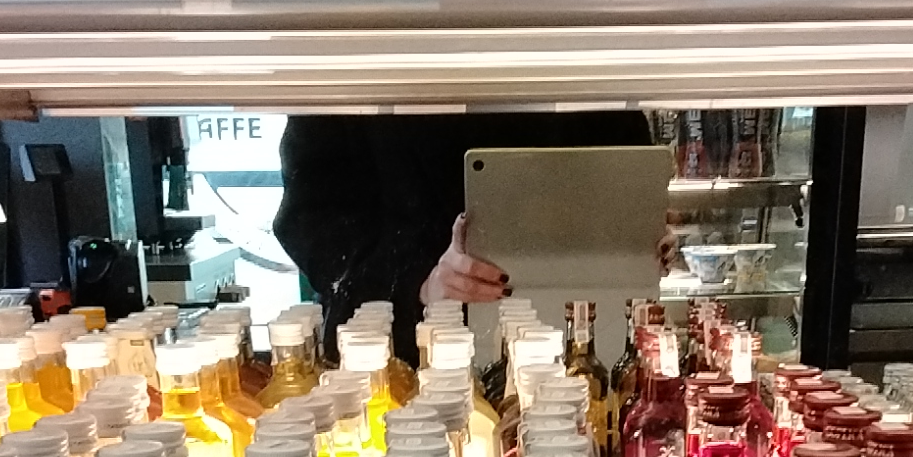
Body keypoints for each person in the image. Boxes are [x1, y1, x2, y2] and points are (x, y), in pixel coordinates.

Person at [273, 111, 653, 363]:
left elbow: (624, 155)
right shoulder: (355, 33)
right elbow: (312, 215)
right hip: (399, 351)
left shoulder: (577, 28)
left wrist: (635, 225)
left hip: (576, 334)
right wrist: (416, 281)